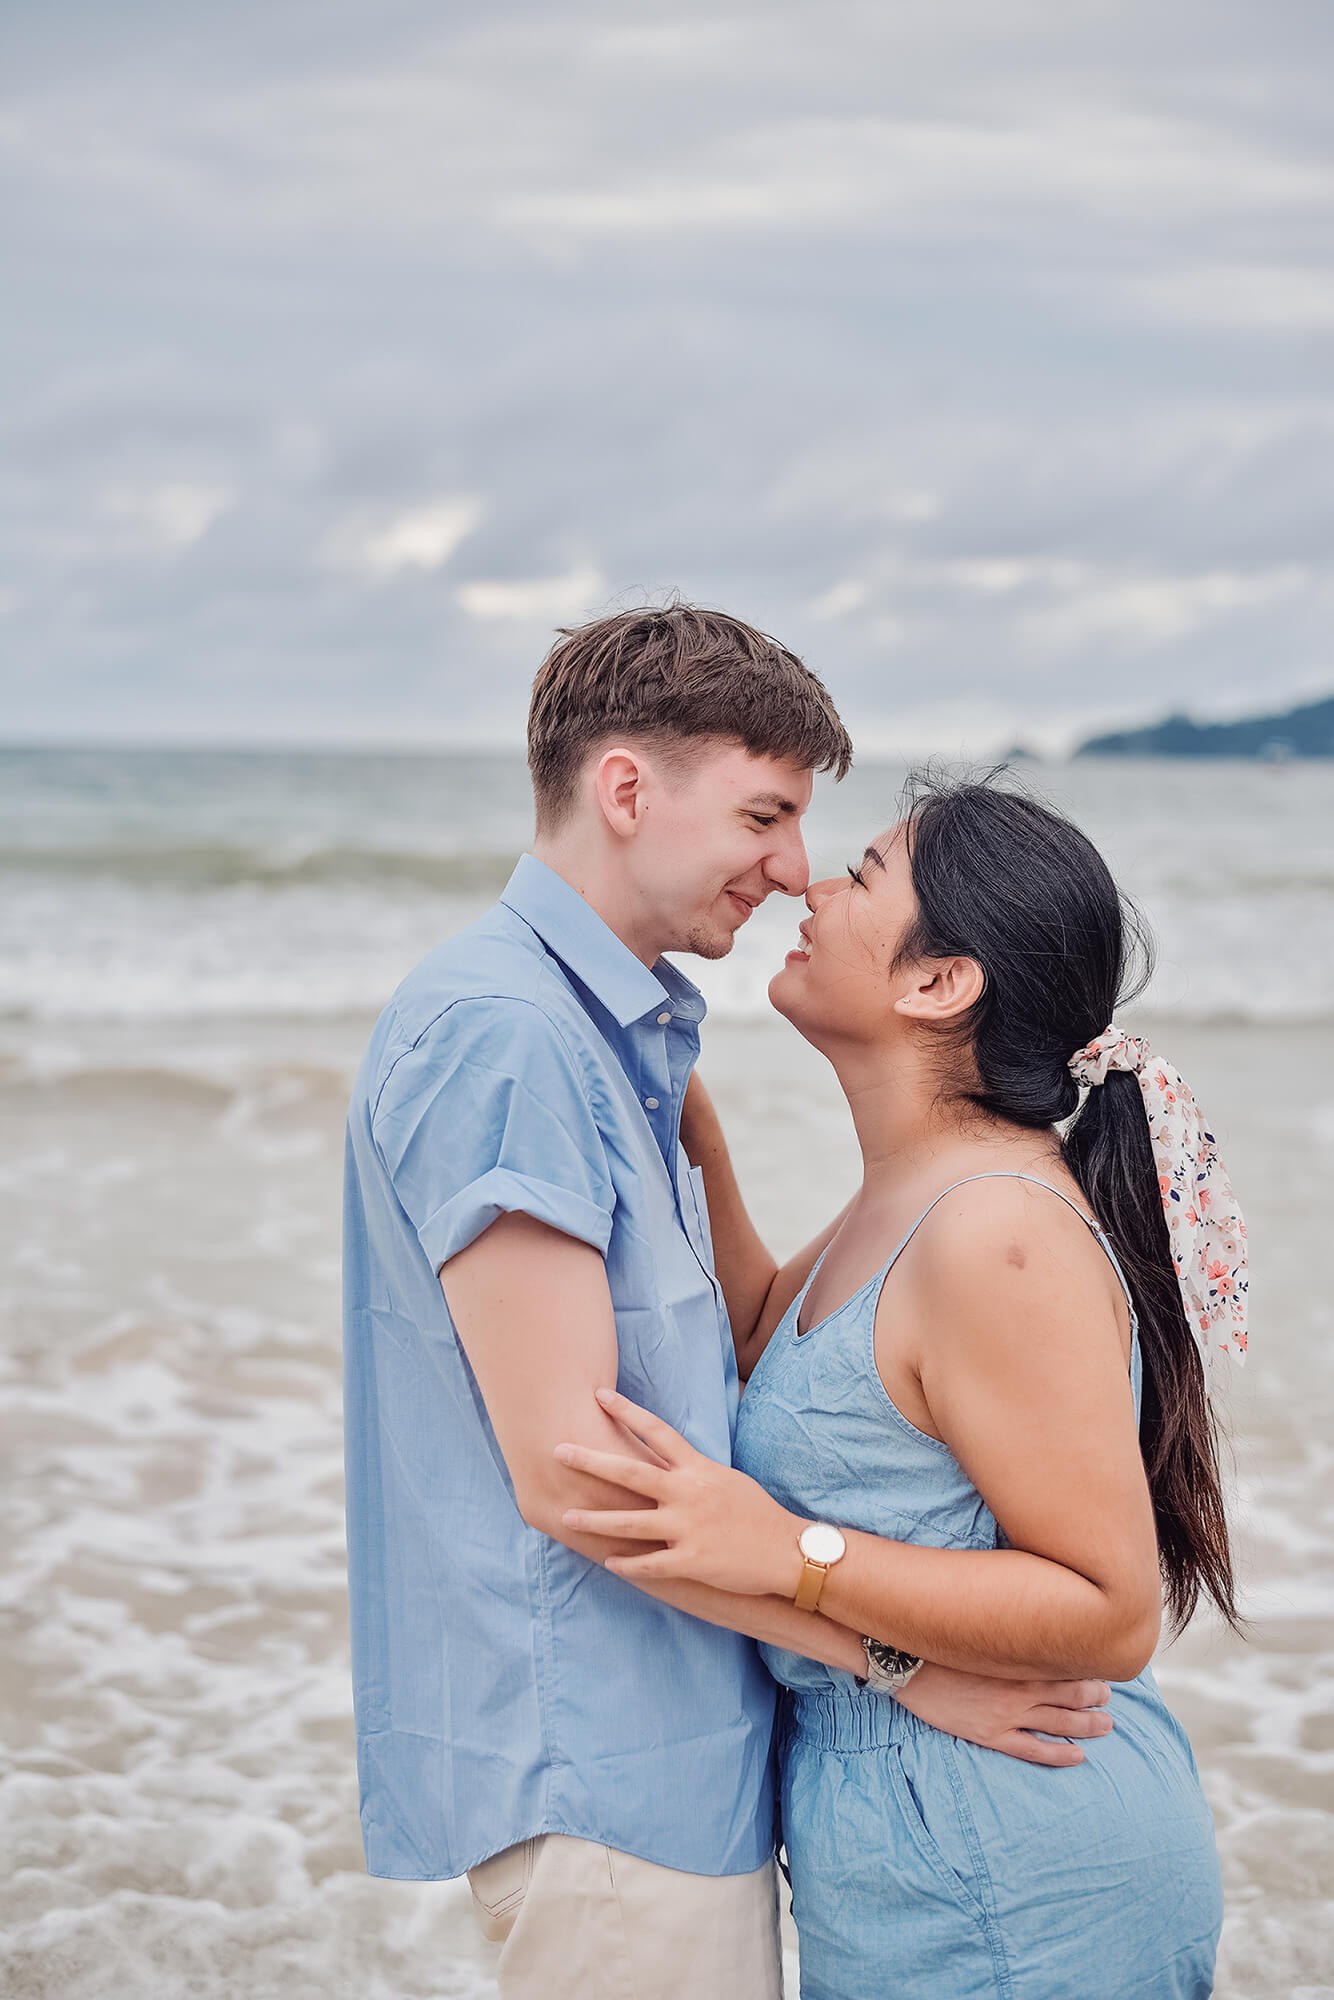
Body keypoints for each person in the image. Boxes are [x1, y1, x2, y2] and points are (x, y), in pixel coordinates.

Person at [342, 617, 1120, 2000]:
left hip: (679, 1769)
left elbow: (745, 1345)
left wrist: (702, 1150)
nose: (787, 870)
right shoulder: (514, 1036)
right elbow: (588, 1486)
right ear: (627, 792)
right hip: (612, 1776)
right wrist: (898, 1666)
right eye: (762, 816)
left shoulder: (614, 1040)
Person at [558, 770, 1245, 2000]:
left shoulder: (994, 1230)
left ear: (938, 982)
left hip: (1016, 1864)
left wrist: (788, 1550)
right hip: (920, 1831)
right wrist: (686, 1129)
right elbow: (770, 1345)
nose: (810, 884)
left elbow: (1107, 1605)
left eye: (864, 874)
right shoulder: (911, 1188)